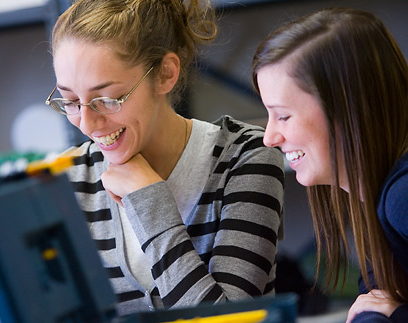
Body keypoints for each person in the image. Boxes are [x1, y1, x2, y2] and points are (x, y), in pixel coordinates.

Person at [45, 0, 284, 317]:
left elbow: (230, 318)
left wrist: (149, 201)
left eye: (106, 99)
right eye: (72, 101)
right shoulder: (67, 179)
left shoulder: (245, 157)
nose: (87, 124)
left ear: (166, 74)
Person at [251, 7, 408, 323]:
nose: (269, 137)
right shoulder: (378, 195)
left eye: (283, 115)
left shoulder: (402, 197)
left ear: (349, 111)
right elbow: (376, 295)